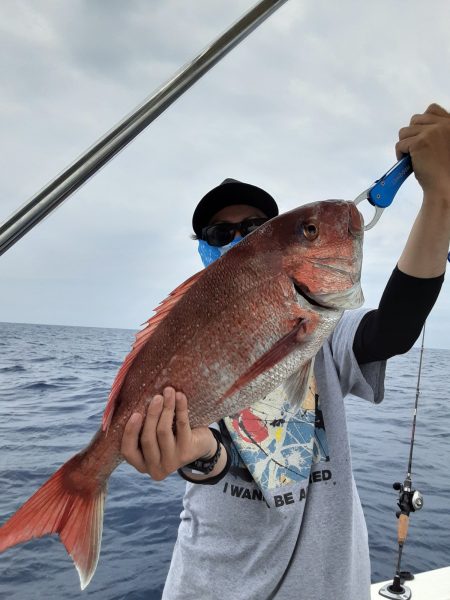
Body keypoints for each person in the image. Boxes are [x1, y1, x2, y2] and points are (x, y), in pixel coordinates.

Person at [120, 103, 450, 600]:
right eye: (218, 233)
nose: (236, 238)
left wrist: (440, 200)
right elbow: (208, 456)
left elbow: (393, 331)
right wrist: (195, 452)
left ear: (275, 246)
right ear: (202, 250)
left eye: (253, 227)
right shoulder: (189, 334)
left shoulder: (321, 327)